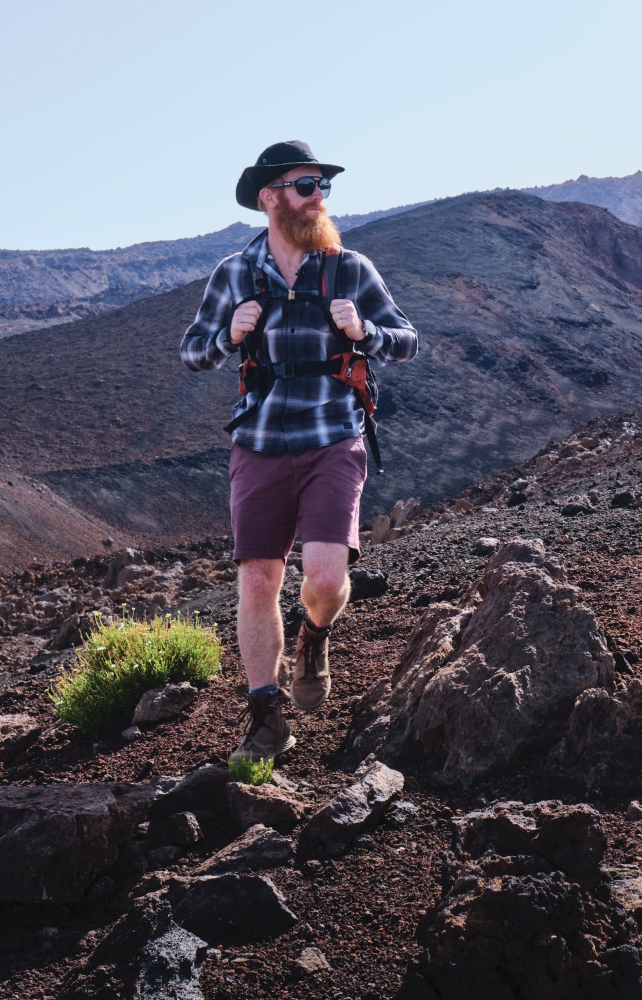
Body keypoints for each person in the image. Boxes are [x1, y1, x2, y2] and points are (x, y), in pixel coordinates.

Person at [180, 140, 418, 764]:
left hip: (333, 436)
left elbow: (407, 341)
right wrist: (227, 335)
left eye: (323, 187)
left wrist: (364, 331)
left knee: (326, 579)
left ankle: (314, 636)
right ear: (270, 197)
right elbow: (192, 350)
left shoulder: (349, 269)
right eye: (306, 186)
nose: (318, 198)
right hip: (258, 442)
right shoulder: (235, 273)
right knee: (259, 579)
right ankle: (265, 719)